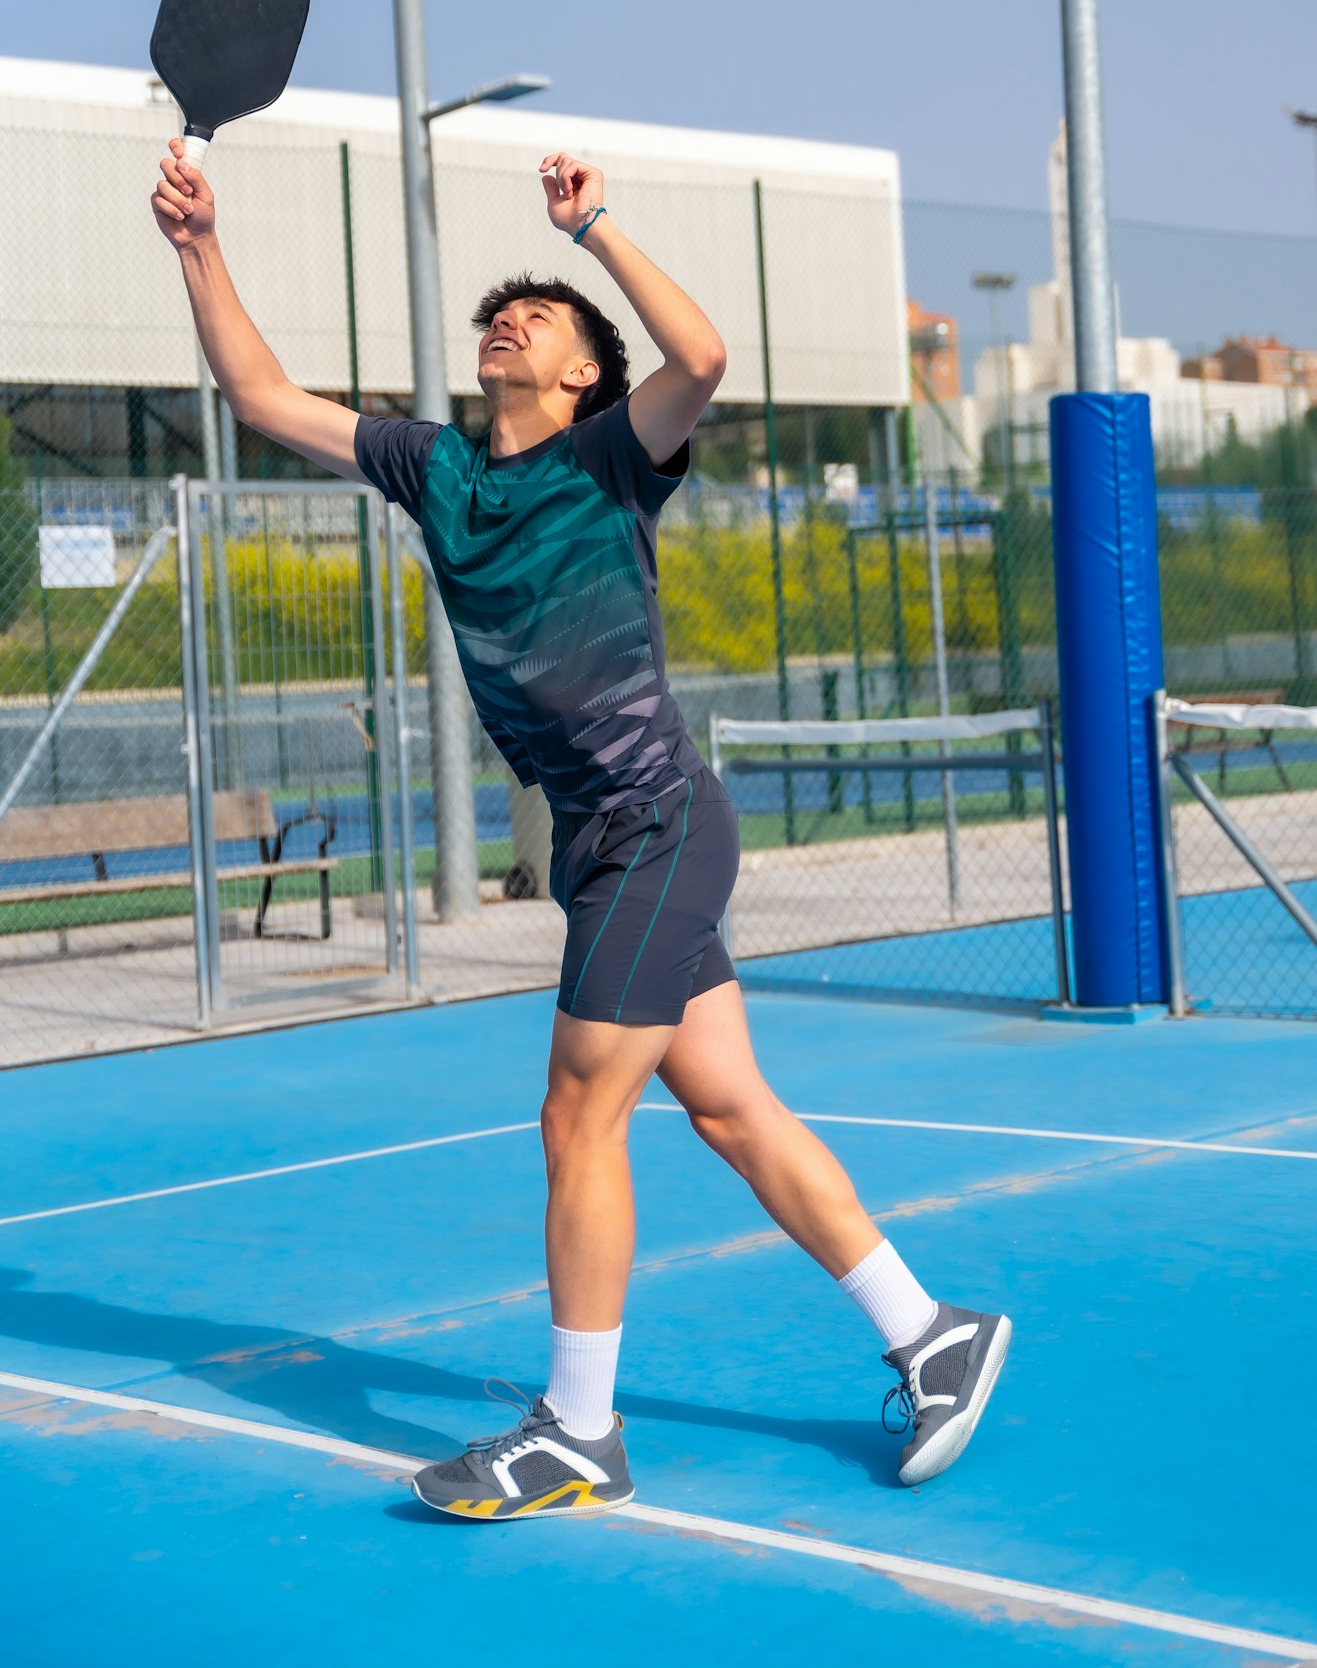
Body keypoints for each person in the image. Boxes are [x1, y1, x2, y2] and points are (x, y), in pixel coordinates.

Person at [152, 140, 1010, 1521]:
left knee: (575, 1112)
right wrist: (198, 244)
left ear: (582, 380)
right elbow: (257, 394)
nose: (510, 319)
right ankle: (931, 1333)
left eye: (538, 318)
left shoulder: (616, 455)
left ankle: (576, 1428)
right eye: (503, 310)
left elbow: (707, 355)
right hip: (596, 843)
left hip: (654, 818)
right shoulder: (428, 466)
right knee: (727, 1108)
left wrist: (593, 228)